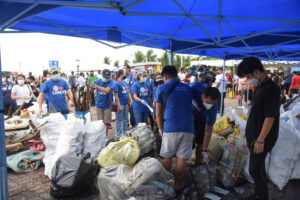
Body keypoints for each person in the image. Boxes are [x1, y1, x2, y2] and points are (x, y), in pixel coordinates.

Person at [237, 57, 280, 200]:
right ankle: (258, 194)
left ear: (256, 72)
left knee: (254, 169)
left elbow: (270, 117)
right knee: (258, 168)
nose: (247, 80)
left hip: (262, 138)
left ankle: (262, 196)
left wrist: (261, 140)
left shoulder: (271, 88)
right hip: (255, 135)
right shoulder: (260, 85)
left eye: (248, 77)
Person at [156, 65, 194, 193]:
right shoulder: (188, 88)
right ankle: (178, 184)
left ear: (165, 76)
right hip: (188, 126)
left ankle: (164, 185)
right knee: (181, 158)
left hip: (171, 127)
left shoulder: (161, 88)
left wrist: (161, 130)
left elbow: (158, 114)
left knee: (167, 157)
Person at [190, 82, 220, 165]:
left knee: (200, 143)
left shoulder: (213, 108)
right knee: (186, 143)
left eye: (213, 103)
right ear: (203, 96)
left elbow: (208, 131)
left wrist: (204, 150)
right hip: (188, 117)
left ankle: (198, 164)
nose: (210, 105)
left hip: (201, 121)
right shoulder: (195, 87)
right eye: (208, 102)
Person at [92, 69, 114, 137]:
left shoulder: (111, 81)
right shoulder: (97, 81)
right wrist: (94, 90)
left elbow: (107, 91)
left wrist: (97, 87)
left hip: (107, 105)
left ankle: (105, 136)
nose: (106, 79)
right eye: (105, 77)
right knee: (100, 123)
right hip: (99, 105)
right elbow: (91, 86)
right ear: (102, 75)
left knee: (106, 123)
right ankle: (100, 136)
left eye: (108, 77)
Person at [114, 70, 133, 137]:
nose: (125, 75)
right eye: (124, 74)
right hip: (121, 103)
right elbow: (116, 95)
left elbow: (128, 92)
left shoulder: (124, 83)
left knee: (125, 119)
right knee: (119, 120)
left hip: (126, 103)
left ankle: (125, 132)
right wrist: (119, 105)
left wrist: (130, 100)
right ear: (121, 75)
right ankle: (118, 135)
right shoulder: (117, 83)